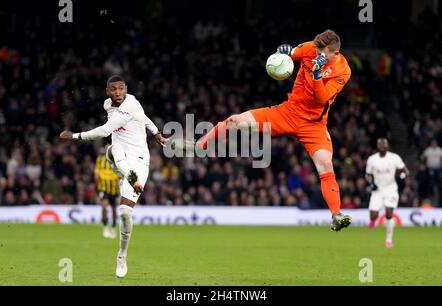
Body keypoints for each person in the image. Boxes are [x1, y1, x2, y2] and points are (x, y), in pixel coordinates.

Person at [182, 30, 352, 231]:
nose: (315, 52)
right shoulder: (311, 48)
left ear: (333, 53)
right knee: (235, 121)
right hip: (287, 112)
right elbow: (289, 55)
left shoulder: (343, 71)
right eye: (314, 49)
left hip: (313, 125)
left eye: (320, 52)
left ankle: (336, 214)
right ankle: (200, 146)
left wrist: (316, 75)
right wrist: (285, 52)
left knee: (325, 166)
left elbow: (320, 99)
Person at [59, 75, 167, 277]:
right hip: (120, 153)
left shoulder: (130, 105)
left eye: (121, 89)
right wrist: (156, 132)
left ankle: (122, 255)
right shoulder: (108, 104)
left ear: (126, 89)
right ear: (108, 91)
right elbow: (144, 118)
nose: (118, 93)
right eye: (114, 89)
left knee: (125, 213)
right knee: (114, 149)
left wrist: (74, 136)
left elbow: (105, 130)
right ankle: (127, 176)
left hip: (140, 159)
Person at [365, 138, 409, 248]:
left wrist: (401, 177)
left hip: (391, 189)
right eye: (379, 144)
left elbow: (405, 171)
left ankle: (388, 240)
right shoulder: (372, 159)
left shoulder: (394, 158)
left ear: (388, 146)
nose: (382, 146)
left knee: (389, 214)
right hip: (377, 191)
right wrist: (371, 183)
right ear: (377, 146)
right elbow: (367, 174)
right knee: (373, 216)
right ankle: (373, 220)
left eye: (384, 144)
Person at [95, 146, 120, 239]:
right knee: (104, 207)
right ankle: (105, 227)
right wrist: (97, 180)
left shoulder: (117, 161)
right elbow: (96, 173)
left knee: (114, 210)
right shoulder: (100, 160)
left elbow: (120, 174)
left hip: (114, 189)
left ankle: (113, 228)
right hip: (104, 188)